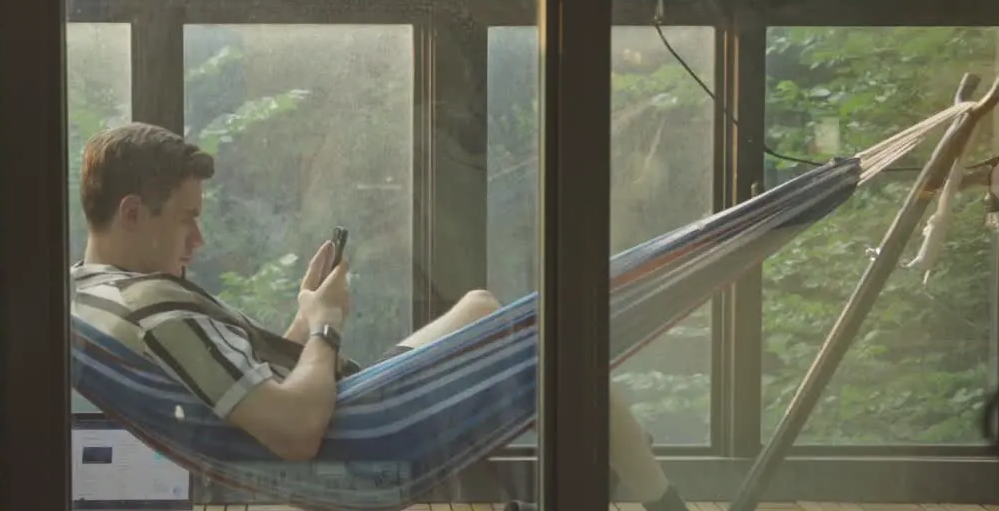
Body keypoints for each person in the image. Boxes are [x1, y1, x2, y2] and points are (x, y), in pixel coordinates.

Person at [69, 122, 687, 511]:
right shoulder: (153, 307)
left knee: (480, 306)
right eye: (185, 217)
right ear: (130, 212)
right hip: (362, 433)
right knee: (561, 344)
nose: (197, 239)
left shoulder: (94, 291)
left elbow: (250, 384)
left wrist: (305, 315)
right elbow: (293, 432)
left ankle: (561, 483)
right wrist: (326, 324)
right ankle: (660, 500)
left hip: (347, 406)